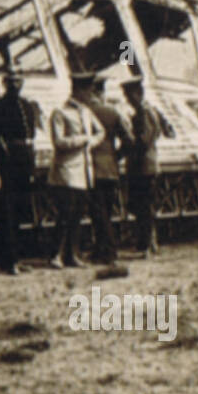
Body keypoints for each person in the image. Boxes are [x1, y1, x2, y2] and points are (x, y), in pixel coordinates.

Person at [0, 67, 37, 275]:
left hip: (24, 164)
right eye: (11, 81)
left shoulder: (28, 107)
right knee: (7, 213)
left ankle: (18, 258)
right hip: (7, 164)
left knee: (21, 211)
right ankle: (8, 260)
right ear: (4, 83)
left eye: (19, 81)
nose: (15, 85)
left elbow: (31, 140)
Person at [46, 71, 104, 268]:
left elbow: (100, 131)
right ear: (78, 90)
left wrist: (92, 143)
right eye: (88, 90)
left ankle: (72, 254)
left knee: (77, 215)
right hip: (66, 173)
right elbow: (58, 142)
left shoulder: (87, 112)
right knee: (64, 215)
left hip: (83, 172)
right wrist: (83, 140)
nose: (91, 95)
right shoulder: (60, 113)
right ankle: (55, 255)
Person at [83, 76, 132, 264]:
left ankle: (107, 251)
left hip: (91, 168)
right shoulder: (112, 112)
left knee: (97, 213)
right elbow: (129, 140)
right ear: (102, 92)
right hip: (110, 169)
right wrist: (115, 156)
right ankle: (102, 250)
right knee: (107, 212)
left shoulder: (86, 112)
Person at [122, 78, 164, 258]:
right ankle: (150, 243)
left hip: (142, 166)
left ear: (138, 94)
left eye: (129, 95)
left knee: (143, 207)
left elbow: (143, 140)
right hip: (149, 164)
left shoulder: (142, 113)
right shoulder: (151, 111)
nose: (127, 99)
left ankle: (146, 245)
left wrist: (127, 146)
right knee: (146, 206)